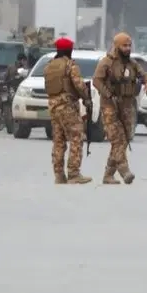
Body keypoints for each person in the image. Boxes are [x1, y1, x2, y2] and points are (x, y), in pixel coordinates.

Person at [92, 33, 147, 185]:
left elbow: (144, 75)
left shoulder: (132, 64)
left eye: (129, 45)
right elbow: (96, 81)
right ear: (116, 46)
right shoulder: (106, 63)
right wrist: (108, 94)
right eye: (124, 46)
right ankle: (125, 171)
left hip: (127, 106)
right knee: (116, 139)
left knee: (123, 140)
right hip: (110, 106)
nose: (127, 49)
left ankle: (108, 174)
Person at [44, 37, 92, 185]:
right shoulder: (70, 65)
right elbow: (78, 84)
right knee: (76, 138)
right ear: (69, 50)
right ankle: (73, 174)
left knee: (58, 141)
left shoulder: (49, 66)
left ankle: (59, 175)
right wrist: (86, 98)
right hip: (67, 106)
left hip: (53, 106)